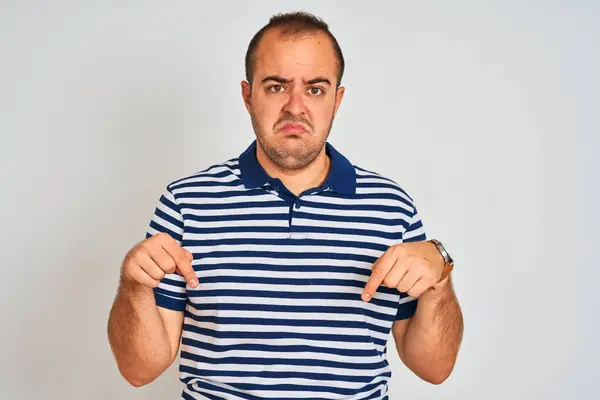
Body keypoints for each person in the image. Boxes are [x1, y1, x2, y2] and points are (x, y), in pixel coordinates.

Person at [107, 11, 464, 400]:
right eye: (276, 87)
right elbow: (139, 370)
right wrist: (134, 287)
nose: (295, 107)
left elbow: (434, 368)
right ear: (248, 96)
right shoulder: (186, 202)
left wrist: (439, 281)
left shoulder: (391, 207)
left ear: (336, 99)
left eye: (315, 89)